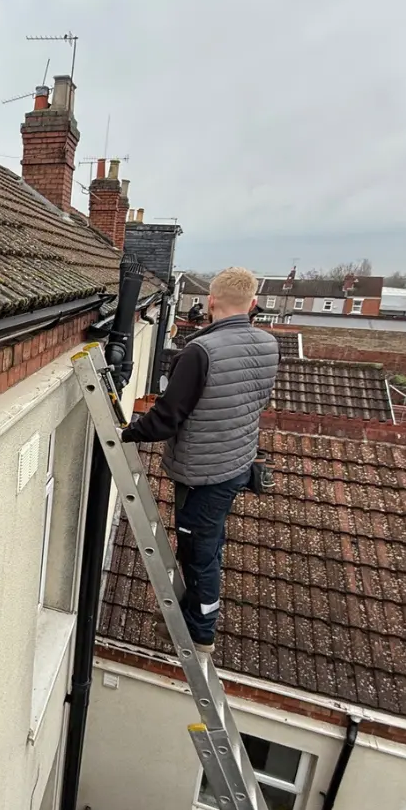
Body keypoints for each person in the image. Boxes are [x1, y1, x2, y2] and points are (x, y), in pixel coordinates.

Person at [122, 267, 279, 654]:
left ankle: (201, 630)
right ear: (253, 304)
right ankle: (194, 612)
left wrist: (128, 431)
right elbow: (254, 402)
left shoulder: (200, 352)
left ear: (210, 301)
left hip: (205, 474)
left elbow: (168, 418)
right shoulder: (267, 344)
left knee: (200, 551)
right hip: (236, 463)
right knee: (206, 545)